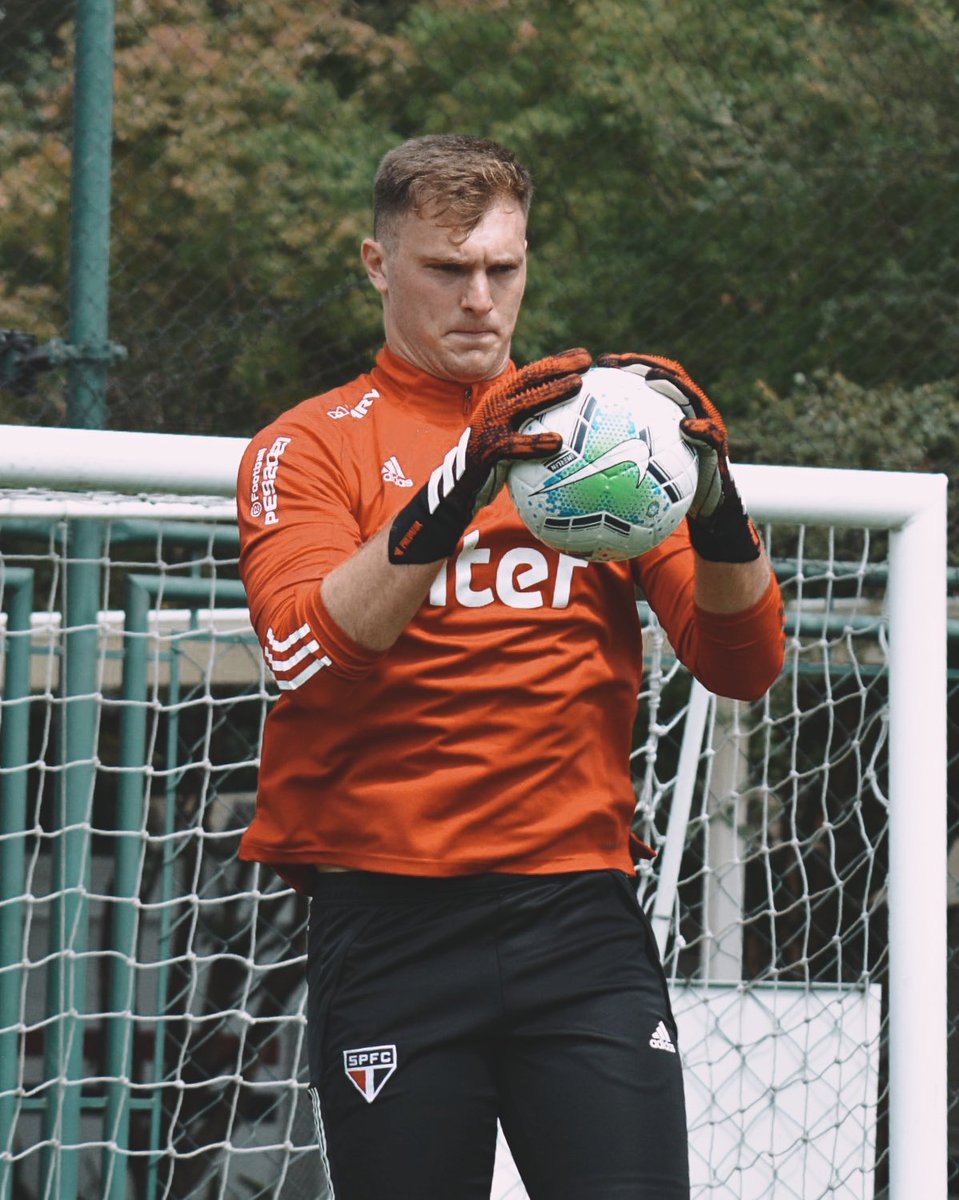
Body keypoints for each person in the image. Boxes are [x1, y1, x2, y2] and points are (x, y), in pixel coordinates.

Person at [235, 133, 784, 1199]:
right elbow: (303, 650)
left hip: (574, 920)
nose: (479, 298)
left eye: (503, 267)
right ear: (377, 263)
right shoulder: (307, 446)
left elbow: (743, 664)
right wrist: (461, 475)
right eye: (447, 269)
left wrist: (712, 500)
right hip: (392, 924)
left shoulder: (599, 441)